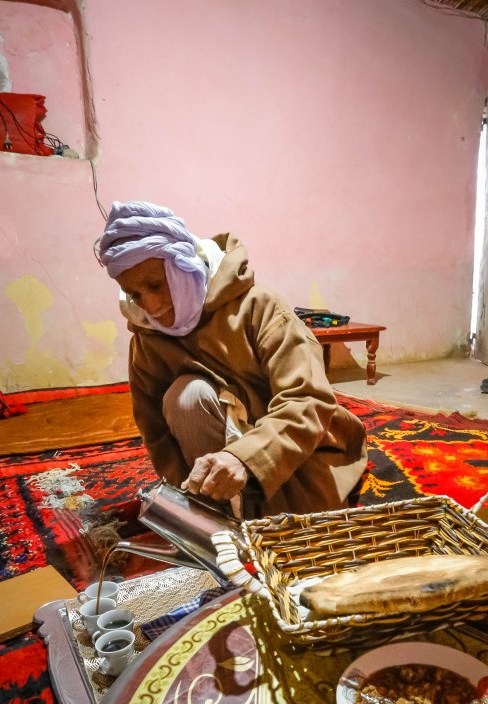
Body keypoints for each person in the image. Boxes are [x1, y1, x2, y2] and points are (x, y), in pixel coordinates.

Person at [98, 201, 367, 517]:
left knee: (291, 529)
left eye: (156, 285)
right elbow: (155, 430)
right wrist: (185, 491)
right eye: (135, 295)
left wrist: (246, 458)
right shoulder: (147, 337)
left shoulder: (260, 307)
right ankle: (218, 506)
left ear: (183, 264)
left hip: (293, 450)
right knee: (187, 397)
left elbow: (307, 401)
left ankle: (247, 509)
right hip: (217, 462)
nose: (151, 305)